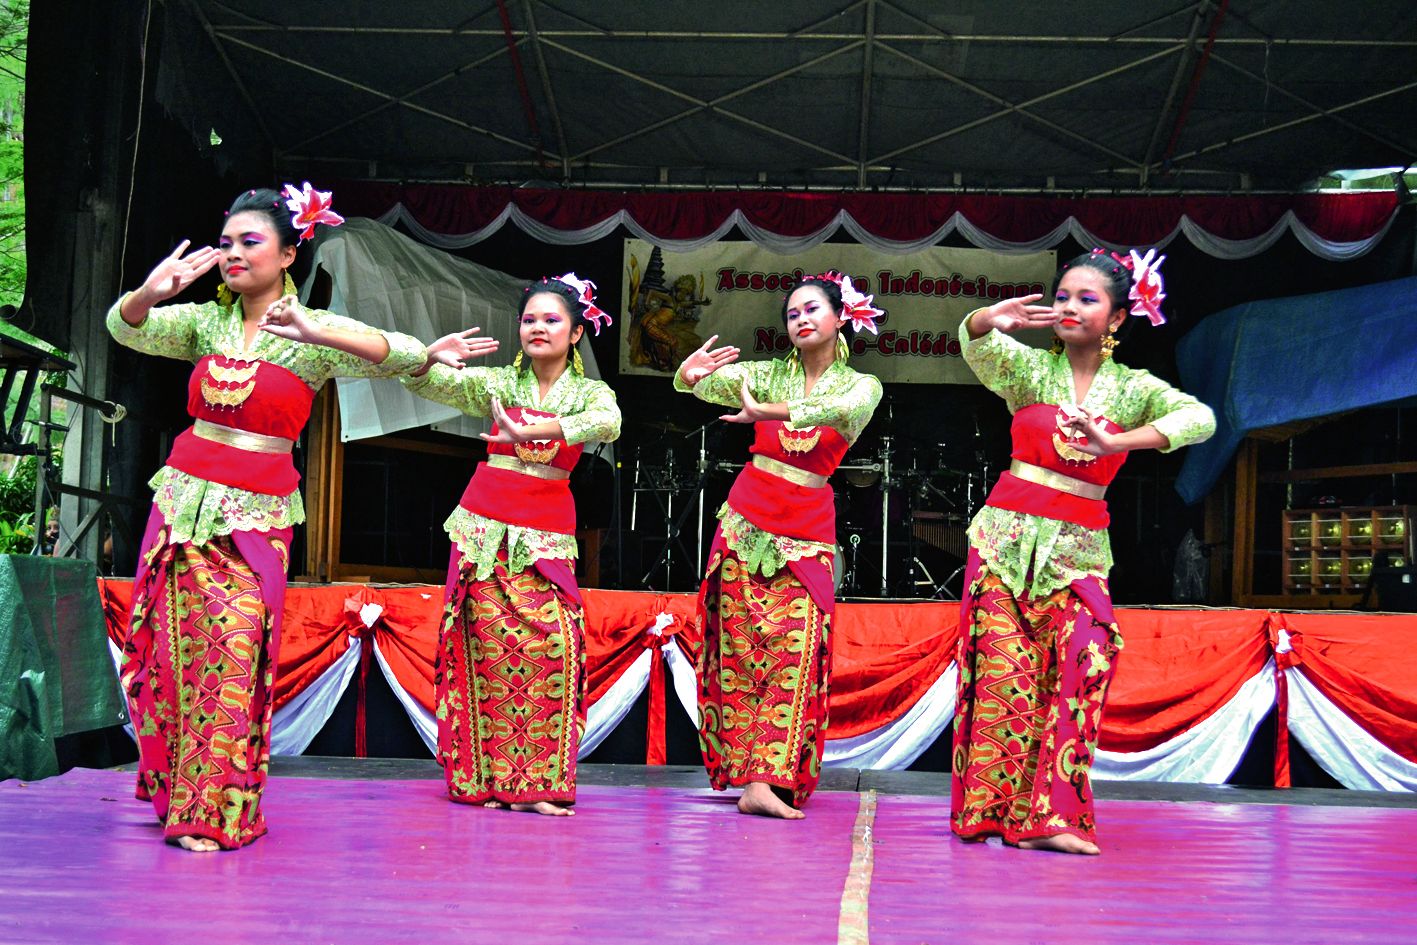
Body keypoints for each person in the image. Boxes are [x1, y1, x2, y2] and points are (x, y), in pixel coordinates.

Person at [108, 184, 472, 851]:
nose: (232, 254)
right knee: (178, 659)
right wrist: (149, 293)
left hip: (256, 516)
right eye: (226, 243)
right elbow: (125, 328)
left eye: (249, 242)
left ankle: (213, 810)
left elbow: (389, 351)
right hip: (183, 507)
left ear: (288, 252)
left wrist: (413, 351)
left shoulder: (312, 335)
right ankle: (182, 794)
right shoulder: (203, 325)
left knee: (234, 655)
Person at [952, 248, 1216, 854]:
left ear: (1119, 318)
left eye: (1086, 298)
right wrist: (987, 317)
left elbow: (1198, 419)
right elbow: (976, 346)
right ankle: (993, 813)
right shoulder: (1029, 373)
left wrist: (1120, 438)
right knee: (1002, 677)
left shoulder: (1132, 388)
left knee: (1082, 666)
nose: (1069, 306)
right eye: (1064, 296)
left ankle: (1051, 818)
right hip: (1003, 543)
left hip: (1078, 551)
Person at [401, 274, 621, 816]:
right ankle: (488, 781)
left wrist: (541, 431)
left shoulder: (590, 392)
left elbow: (609, 422)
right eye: (529, 319)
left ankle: (536, 784)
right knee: (482, 652)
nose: (538, 328)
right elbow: (425, 386)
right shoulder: (498, 383)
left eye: (551, 320)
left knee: (554, 651)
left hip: (545, 528)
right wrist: (428, 359)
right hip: (483, 529)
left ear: (575, 334)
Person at [675, 271, 883, 819]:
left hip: (806, 530)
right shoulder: (765, 375)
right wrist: (690, 375)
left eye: (813, 309)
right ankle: (753, 784)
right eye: (791, 314)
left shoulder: (862, 386)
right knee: (742, 653)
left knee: (793, 654)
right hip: (745, 522)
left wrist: (770, 413)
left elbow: (840, 414)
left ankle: (773, 774)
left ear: (841, 318)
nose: (801, 320)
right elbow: (700, 384)